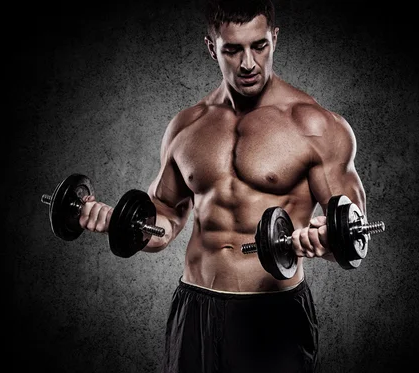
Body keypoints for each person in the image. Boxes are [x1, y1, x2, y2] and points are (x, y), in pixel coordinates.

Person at [78, 0, 366, 371]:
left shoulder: (315, 126)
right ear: (211, 47)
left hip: (273, 313)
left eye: (258, 46)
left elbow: (352, 232)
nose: (248, 63)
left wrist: (323, 241)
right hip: (195, 308)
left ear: (274, 39)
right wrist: (120, 223)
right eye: (232, 49)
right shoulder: (187, 126)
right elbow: (165, 219)